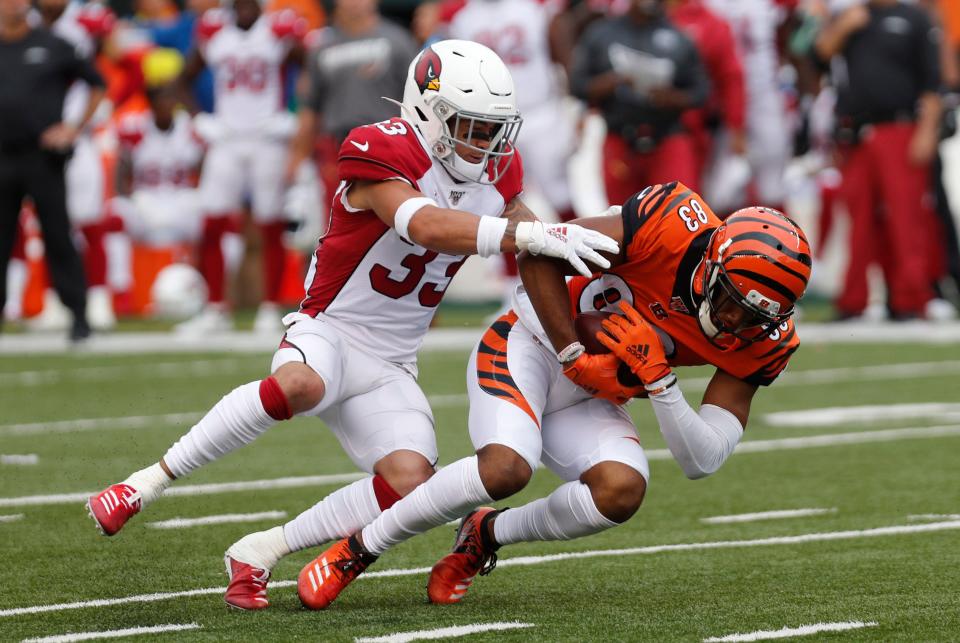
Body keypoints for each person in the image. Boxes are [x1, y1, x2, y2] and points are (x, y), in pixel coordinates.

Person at [85, 40, 619, 610]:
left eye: (492, 129)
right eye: (468, 126)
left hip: (393, 361)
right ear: (429, 112)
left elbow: (534, 238)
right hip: (330, 330)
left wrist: (590, 242)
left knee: (412, 481)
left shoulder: (497, 166)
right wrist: (529, 235)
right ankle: (143, 484)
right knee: (300, 385)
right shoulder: (378, 144)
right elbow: (425, 225)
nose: (483, 144)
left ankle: (261, 549)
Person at [240, 181, 812, 611]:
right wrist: (573, 355)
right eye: (734, 300)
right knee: (507, 467)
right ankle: (359, 549)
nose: (738, 322)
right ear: (712, 264)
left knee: (621, 492)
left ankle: (485, 533)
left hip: (598, 392)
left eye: (760, 315)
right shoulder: (669, 224)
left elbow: (702, 460)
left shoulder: (762, 341)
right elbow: (542, 249)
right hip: (532, 346)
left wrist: (659, 381)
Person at [174, 0, 307, 334]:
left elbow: (311, 70)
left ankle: (270, 306)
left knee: (270, 224)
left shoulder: (278, 31)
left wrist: (295, 112)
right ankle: (216, 307)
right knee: (212, 221)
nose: (244, 7)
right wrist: (201, 118)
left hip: (267, 139)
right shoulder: (216, 33)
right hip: (228, 139)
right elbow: (182, 80)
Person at [815, 0, 942, 320]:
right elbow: (819, 54)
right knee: (857, 221)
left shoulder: (913, 18)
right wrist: (843, 27)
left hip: (899, 128)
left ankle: (909, 299)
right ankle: (852, 300)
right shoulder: (851, 17)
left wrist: (927, 130)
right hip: (855, 134)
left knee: (905, 219)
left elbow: (932, 81)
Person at [0, 0, 105, 341]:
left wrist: (74, 128)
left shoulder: (52, 44)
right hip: (2, 155)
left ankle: (77, 314)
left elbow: (97, 83)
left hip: (41, 156)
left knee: (58, 234)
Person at [569, 0, 709, 205]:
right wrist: (610, 82)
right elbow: (577, 85)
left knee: (679, 211)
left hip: (666, 136)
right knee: (624, 219)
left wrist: (672, 97)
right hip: (620, 138)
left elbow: (701, 92)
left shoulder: (679, 37)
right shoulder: (601, 33)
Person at [285, 0, 419, 214]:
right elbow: (310, 107)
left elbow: (417, 100)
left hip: (388, 145)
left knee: (392, 215)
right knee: (335, 215)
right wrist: (297, 156)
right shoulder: (322, 46)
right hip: (337, 146)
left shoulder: (398, 41)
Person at [35, 0, 117, 331]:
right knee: (48, 226)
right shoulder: (22, 23)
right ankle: (54, 300)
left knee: (90, 222)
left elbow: (112, 60)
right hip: (35, 143)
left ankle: (98, 299)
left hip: (79, 137)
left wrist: (77, 126)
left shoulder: (87, 20)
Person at [109, 49, 205, 249]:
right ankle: (119, 280)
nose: (166, 104)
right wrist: (125, 200)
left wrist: (200, 194)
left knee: (219, 216)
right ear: (151, 102)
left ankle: (208, 277)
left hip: (181, 200)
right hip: (146, 201)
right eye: (160, 98)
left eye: (169, 98)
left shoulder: (190, 127)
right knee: (115, 213)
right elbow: (121, 170)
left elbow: (206, 170)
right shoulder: (134, 127)